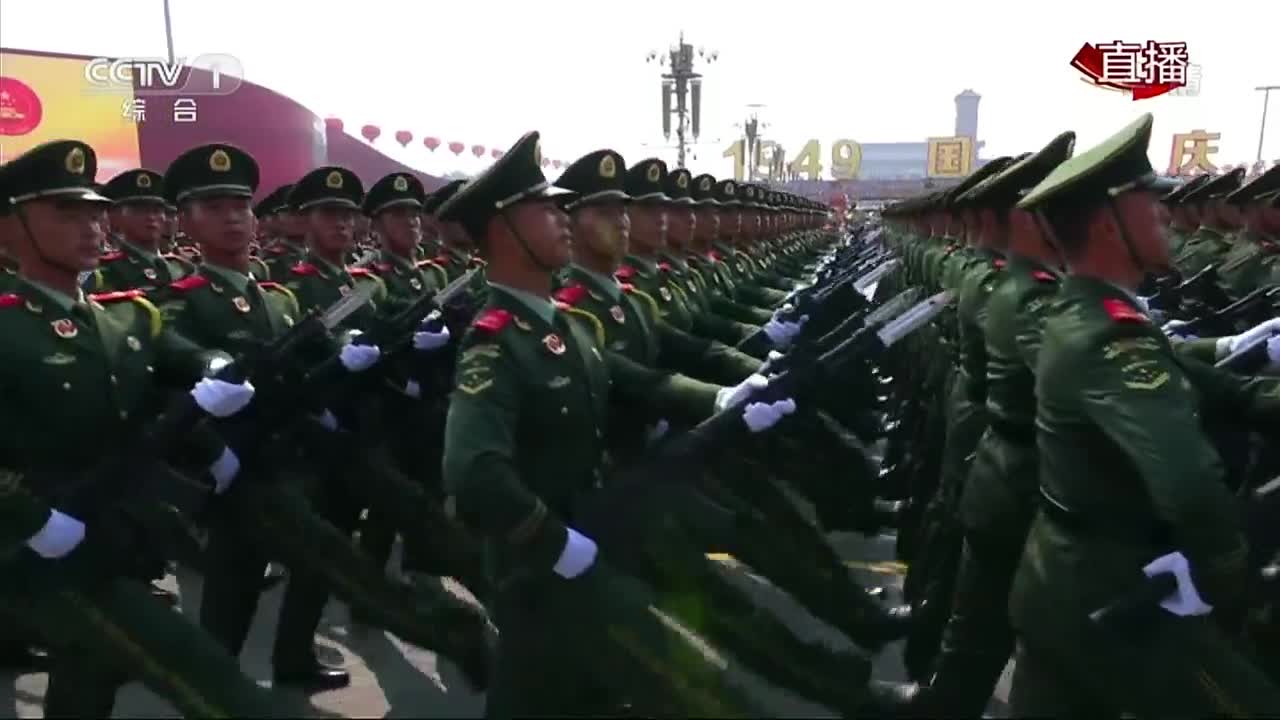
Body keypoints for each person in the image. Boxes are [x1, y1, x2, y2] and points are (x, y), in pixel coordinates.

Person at [440, 130, 780, 718]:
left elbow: (641, 381)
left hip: (592, 539)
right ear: (502, 231)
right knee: (701, 689)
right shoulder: (494, 343)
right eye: (545, 209)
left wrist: (724, 396)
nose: (562, 218)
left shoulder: (570, 325)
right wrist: (553, 542)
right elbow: (470, 472)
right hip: (542, 571)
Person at [0, 139, 313, 718]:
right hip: (38, 551)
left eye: (94, 211)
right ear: (9, 229)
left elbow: (178, 354)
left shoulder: (121, 313)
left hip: (117, 530)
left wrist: (213, 368)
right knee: (203, 673)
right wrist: (30, 519)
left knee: (87, 675)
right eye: (67, 214)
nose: (93, 225)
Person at [1007, 113, 1280, 716]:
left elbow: (1206, 383)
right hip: (1122, 594)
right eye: (1147, 204)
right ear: (1109, 224)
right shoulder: (1112, 337)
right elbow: (1187, 484)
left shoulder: (1096, 316)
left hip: (1065, 582)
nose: (1163, 215)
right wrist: (1228, 579)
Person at [913, 131, 1075, 714]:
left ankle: (930, 670)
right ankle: (924, 659)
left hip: (990, 435)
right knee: (976, 597)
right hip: (999, 445)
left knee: (974, 601)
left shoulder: (1016, 282)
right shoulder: (1004, 284)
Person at [88, 168, 195, 293]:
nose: (151, 217)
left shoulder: (183, 267)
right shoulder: (107, 271)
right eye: (139, 211)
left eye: (157, 210)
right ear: (115, 217)